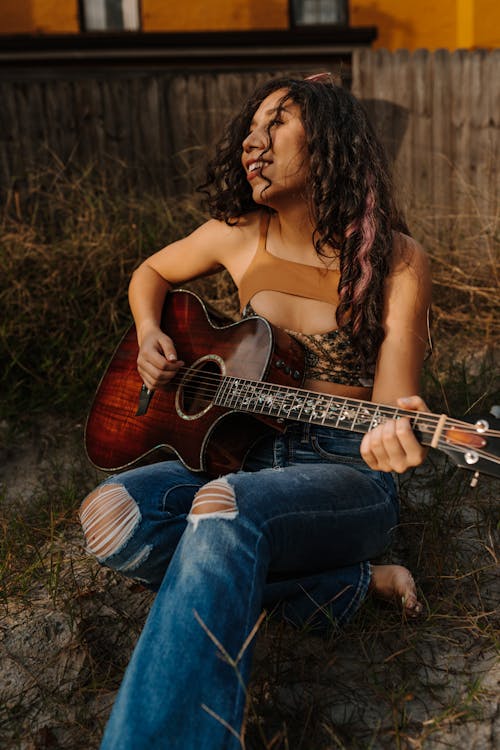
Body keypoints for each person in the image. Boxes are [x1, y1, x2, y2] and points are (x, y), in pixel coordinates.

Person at [79, 74, 431, 749]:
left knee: (222, 508)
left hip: (342, 473)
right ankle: (344, 586)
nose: (252, 139)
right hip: (245, 454)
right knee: (111, 520)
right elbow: (149, 274)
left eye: (278, 123)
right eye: (251, 126)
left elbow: (392, 401)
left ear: (330, 143)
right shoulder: (238, 234)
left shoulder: (398, 260)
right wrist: (150, 333)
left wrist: (397, 427)